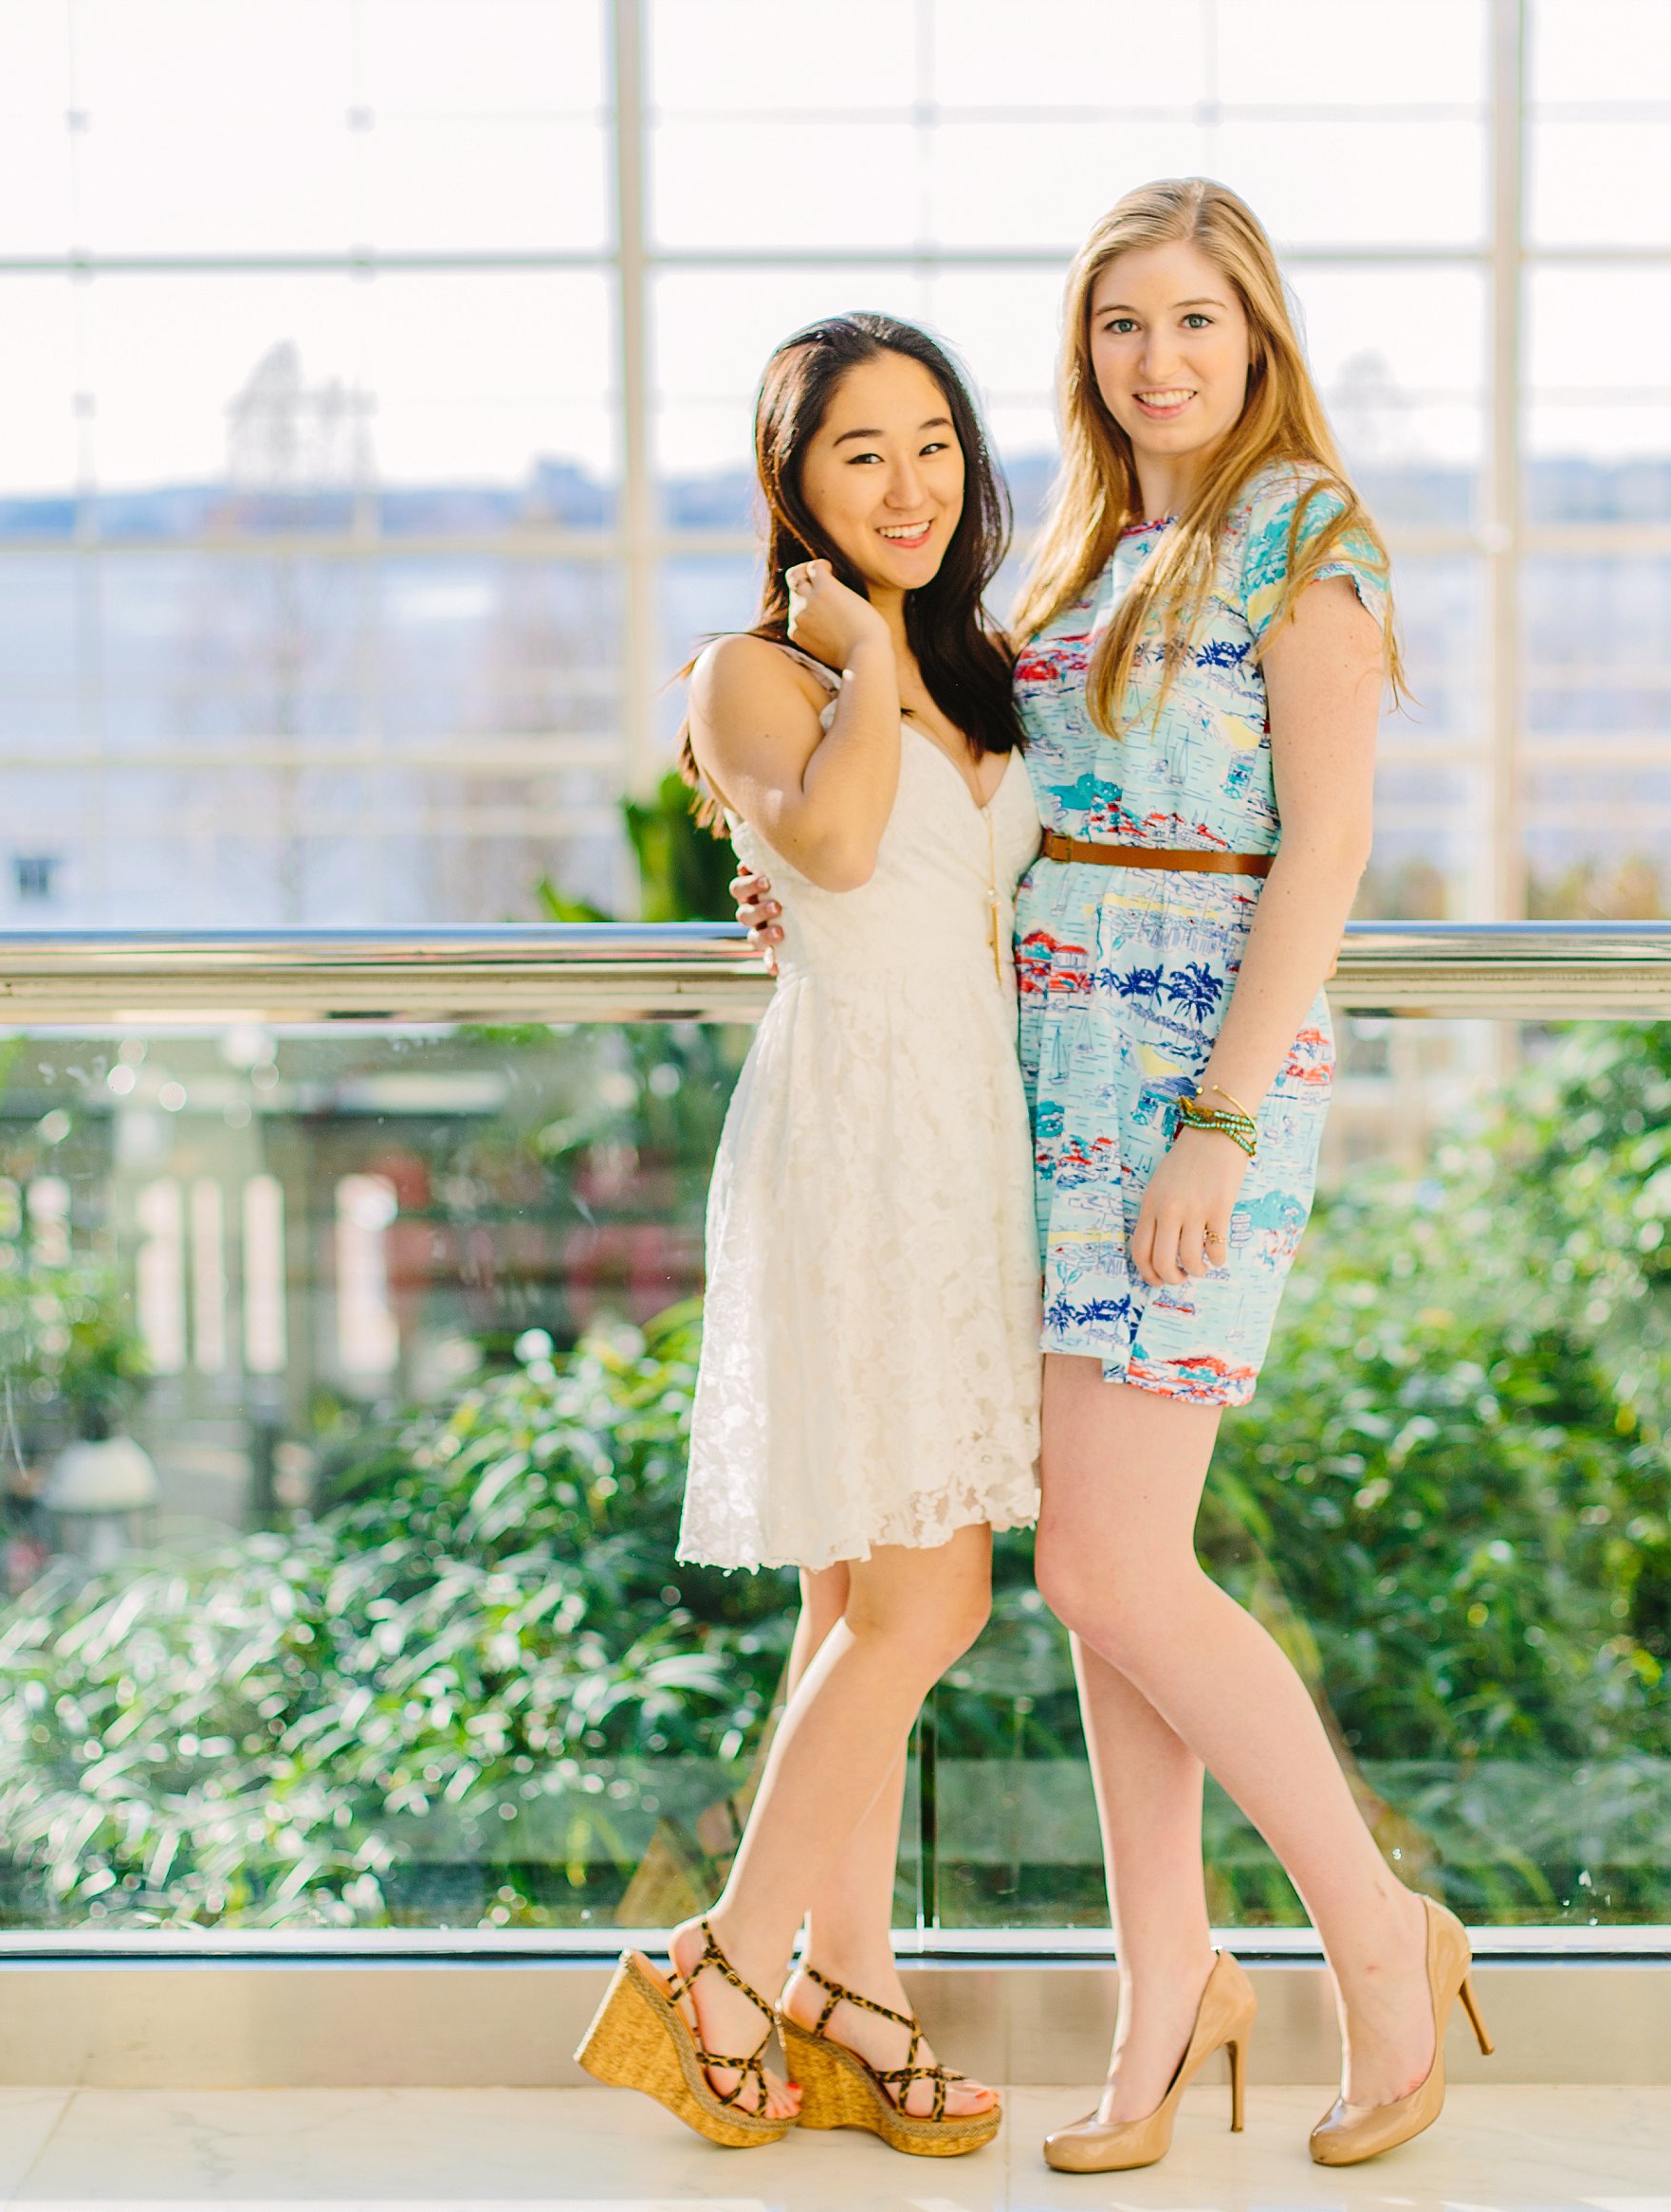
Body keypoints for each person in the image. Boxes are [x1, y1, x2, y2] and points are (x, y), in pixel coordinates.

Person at [735, 179, 1489, 2173]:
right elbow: (961, 805)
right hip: (1032, 1074)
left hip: (1189, 1074)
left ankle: (1379, 1941)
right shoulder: (1080, 551)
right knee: (1100, 1586)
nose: (1156, 358)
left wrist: (1222, 1121)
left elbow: (1322, 849)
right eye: (1118, 325)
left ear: (1256, 334)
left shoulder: (1304, 529)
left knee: (1104, 1562)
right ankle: (1169, 1996)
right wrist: (809, 895)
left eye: (1192, 320)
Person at [572, 311, 1037, 2161]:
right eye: (863, 451)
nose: (908, 483)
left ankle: (856, 1995)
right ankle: (726, 1966)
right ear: (793, 483)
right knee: (937, 1595)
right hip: (855, 1139)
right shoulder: (749, 675)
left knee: (859, 1600)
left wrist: (901, 663)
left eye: (934, 442)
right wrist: (849, 659)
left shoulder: (978, 667)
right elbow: (837, 855)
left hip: (965, 1139)